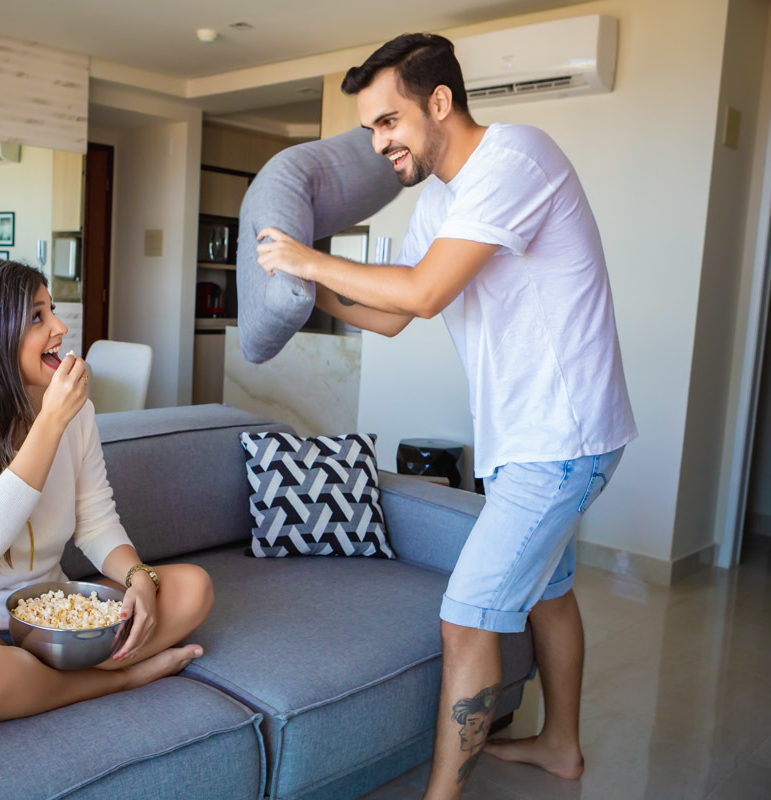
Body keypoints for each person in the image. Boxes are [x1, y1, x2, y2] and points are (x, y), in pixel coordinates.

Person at [255, 33, 637, 800]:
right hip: (532, 439)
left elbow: (426, 291)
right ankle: (561, 744)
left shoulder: (517, 159)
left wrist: (306, 257)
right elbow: (398, 312)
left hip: (560, 439)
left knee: (466, 621)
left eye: (389, 121)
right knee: (549, 594)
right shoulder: (438, 198)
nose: (379, 143)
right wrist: (304, 298)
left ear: (440, 102)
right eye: (369, 129)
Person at [0, 259, 213, 724]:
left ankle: (43, 678)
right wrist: (51, 422)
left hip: (54, 619)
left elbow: (97, 521)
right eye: (37, 317)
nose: (60, 327)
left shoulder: (76, 412)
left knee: (192, 589)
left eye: (52, 311)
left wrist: (138, 577)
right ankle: (121, 678)